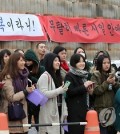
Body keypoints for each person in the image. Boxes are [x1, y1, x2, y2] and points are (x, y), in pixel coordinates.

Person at [0, 52, 34, 134]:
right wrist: (25, 91)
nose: (24, 63)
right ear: (14, 62)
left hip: (22, 113)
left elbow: (24, 92)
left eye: (24, 60)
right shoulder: (7, 77)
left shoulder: (23, 76)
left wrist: (30, 90)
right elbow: (11, 97)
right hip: (12, 113)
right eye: (21, 60)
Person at [37, 53, 68, 134]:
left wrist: (64, 90)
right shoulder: (45, 76)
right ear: (50, 62)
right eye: (55, 60)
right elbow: (44, 94)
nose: (58, 62)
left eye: (58, 61)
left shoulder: (58, 76)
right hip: (48, 111)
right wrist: (60, 90)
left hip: (59, 109)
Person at [64, 54, 94, 134]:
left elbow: (86, 93)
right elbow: (69, 92)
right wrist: (84, 86)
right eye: (79, 62)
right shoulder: (69, 75)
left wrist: (91, 92)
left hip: (85, 109)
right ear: (74, 63)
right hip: (74, 111)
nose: (82, 63)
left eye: (83, 61)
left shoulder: (85, 75)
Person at [91, 54, 120, 134]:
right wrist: (107, 82)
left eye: (108, 63)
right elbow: (96, 90)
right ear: (100, 64)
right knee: (103, 131)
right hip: (101, 109)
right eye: (104, 63)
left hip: (112, 109)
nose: (107, 65)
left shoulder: (112, 74)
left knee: (112, 131)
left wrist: (114, 83)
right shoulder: (95, 75)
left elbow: (118, 89)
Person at [24, 49, 45, 131]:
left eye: (29, 60)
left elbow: (41, 82)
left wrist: (30, 76)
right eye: (26, 60)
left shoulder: (41, 69)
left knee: (38, 122)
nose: (27, 63)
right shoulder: (23, 69)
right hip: (26, 96)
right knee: (26, 123)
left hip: (37, 97)